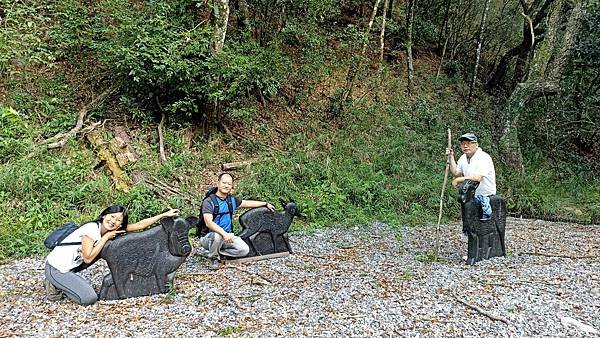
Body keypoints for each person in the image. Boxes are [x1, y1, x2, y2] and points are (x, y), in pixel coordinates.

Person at [44, 205, 180, 305]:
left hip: (71, 265)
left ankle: (60, 283)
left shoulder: (113, 229)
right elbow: (87, 258)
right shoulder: (91, 229)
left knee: (106, 248)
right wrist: (106, 238)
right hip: (56, 268)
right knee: (88, 299)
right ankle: (55, 283)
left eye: (118, 220)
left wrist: (163, 216)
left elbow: (139, 225)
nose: (113, 221)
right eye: (112, 216)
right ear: (104, 215)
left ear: (121, 224)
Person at [200, 172, 275, 270]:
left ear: (231, 186)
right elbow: (208, 222)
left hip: (227, 237)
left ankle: (214, 253)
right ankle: (213, 258)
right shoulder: (209, 202)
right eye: (224, 183)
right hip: (209, 237)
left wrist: (265, 204)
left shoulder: (231, 200)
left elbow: (247, 203)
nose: (226, 186)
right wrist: (224, 234)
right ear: (218, 183)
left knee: (244, 250)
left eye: (229, 184)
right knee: (217, 235)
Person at [446, 132, 496, 221]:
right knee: (469, 225)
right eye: (463, 144)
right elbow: (456, 172)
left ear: (476, 144)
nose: (465, 146)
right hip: (470, 196)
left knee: (484, 225)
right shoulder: (463, 158)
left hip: (485, 196)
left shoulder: (484, 157)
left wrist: (459, 179)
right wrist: (451, 157)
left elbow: (478, 178)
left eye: (468, 143)